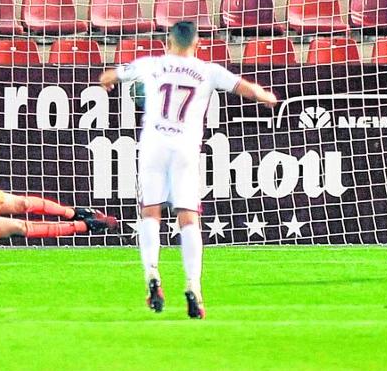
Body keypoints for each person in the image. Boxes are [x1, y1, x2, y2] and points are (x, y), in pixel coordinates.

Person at [99, 21, 278, 319]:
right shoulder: (208, 71)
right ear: (196, 44)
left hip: (154, 146)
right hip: (185, 149)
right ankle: (194, 285)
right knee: (188, 217)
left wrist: (108, 81)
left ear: (168, 42)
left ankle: (152, 273)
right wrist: (267, 97)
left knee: (150, 212)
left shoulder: (151, 64)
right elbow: (246, 89)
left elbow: (110, 75)